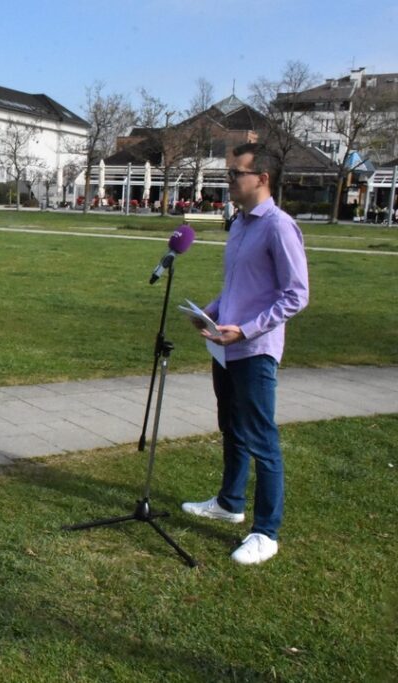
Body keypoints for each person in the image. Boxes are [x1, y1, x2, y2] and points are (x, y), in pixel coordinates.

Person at [181, 143, 309, 565]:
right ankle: (229, 502)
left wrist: (247, 330)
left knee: (261, 438)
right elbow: (239, 286)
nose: (229, 180)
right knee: (232, 427)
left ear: (262, 178)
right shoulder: (239, 224)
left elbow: (296, 295)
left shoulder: (279, 227)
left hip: (255, 350)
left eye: (236, 173)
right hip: (225, 347)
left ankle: (266, 532)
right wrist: (211, 312)